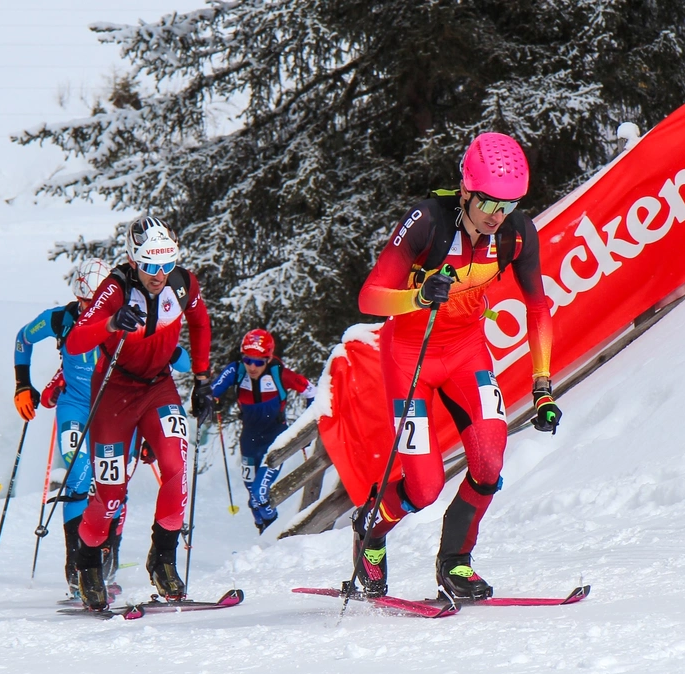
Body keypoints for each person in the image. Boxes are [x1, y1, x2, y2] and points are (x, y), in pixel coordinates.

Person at [355, 132, 562, 600]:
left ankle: (456, 562)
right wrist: (418, 294)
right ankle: (370, 537)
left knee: (489, 464)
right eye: (488, 202)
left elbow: (538, 305)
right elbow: (369, 297)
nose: (497, 216)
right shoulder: (426, 221)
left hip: (466, 352)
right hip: (410, 356)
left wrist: (542, 385)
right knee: (423, 487)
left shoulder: (515, 232)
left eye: (508, 206)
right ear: (465, 190)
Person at [65, 215, 213, 610]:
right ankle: (89, 563)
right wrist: (111, 323)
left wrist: (201, 378)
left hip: (159, 386)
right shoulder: (114, 289)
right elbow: (77, 338)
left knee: (176, 466)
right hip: (114, 389)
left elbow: (200, 323)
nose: (159, 275)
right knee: (111, 493)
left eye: (166, 264)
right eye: (150, 266)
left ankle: (163, 557)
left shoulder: (182, 283)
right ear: (133, 261)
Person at [13, 257, 128, 598]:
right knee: (78, 476)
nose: (88, 308)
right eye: (83, 301)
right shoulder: (61, 319)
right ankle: (77, 564)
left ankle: (109, 552)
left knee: (113, 479)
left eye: (95, 303)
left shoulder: (125, 318)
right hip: (75, 407)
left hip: (116, 409)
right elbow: (23, 338)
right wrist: (23, 384)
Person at [210, 329, 316, 534]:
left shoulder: (280, 374)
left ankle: (273, 530)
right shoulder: (237, 371)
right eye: (248, 360)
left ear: (268, 359)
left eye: (259, 362)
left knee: (260, 493)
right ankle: (265, 535)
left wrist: (306, 429)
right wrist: (210, 401)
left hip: (276, 441)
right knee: (253, 497)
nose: (252, 366)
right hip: (249, 439)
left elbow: (312, 392)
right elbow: (213, 390)